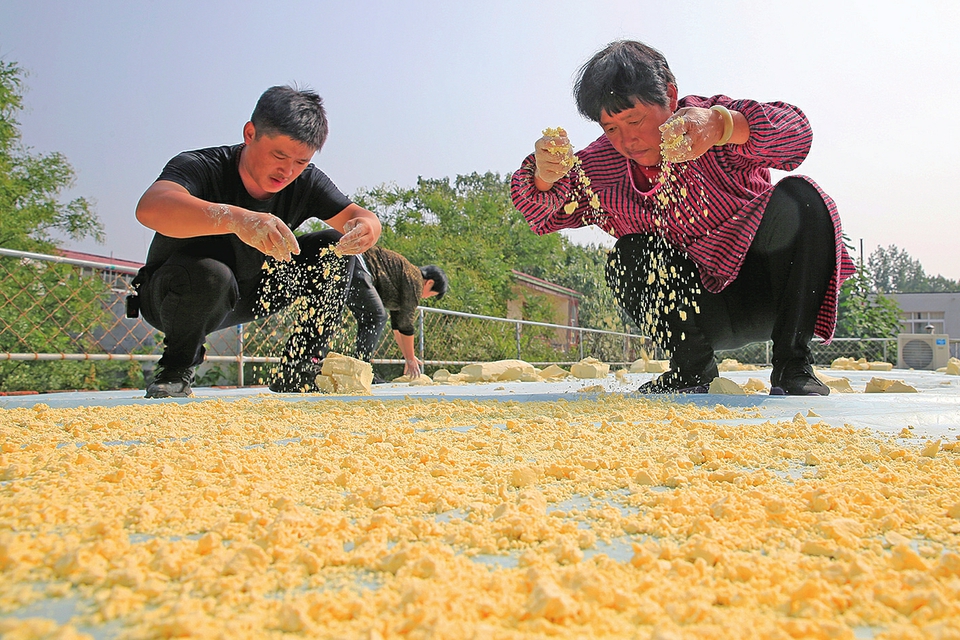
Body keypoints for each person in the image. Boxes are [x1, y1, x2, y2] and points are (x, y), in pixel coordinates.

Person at [511, 40, 855, 396]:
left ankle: (793, 365)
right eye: (611, 128)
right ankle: (691, 371)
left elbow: (797, 134)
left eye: (634, 120)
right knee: (630, 253)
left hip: (769, 291)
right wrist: (545, 175)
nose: (627, 140)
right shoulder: (599, 167)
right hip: (699, 313)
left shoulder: (710, 121)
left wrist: (723, 126)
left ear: (671, 96)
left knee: (802, 197)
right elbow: (540, 214)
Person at [134, 85, 381, 398]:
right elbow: (150, 207)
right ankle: (175, 370)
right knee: (212, 274)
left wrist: (367, 227)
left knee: (334, 247)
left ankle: (300, 367)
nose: (287, 171)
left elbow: (358, 215)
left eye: (301, 162)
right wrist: (236, 220)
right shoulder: (202, 165)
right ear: (250, 133)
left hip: (249, 292)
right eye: (279, 155)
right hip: (176, 295)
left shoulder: (306, 182)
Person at [346, 247, 448, 380]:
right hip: (359, 264)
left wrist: (408, 356)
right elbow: (406, 324)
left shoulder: (406, 278)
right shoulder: (415, 281)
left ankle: (357, 367)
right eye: (431, 294)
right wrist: (410, 359)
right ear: (429, 283)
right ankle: (359, 371)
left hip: (353, 263)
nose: (425, 297)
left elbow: (398, 326)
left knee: (372, 317)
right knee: (377, 317)